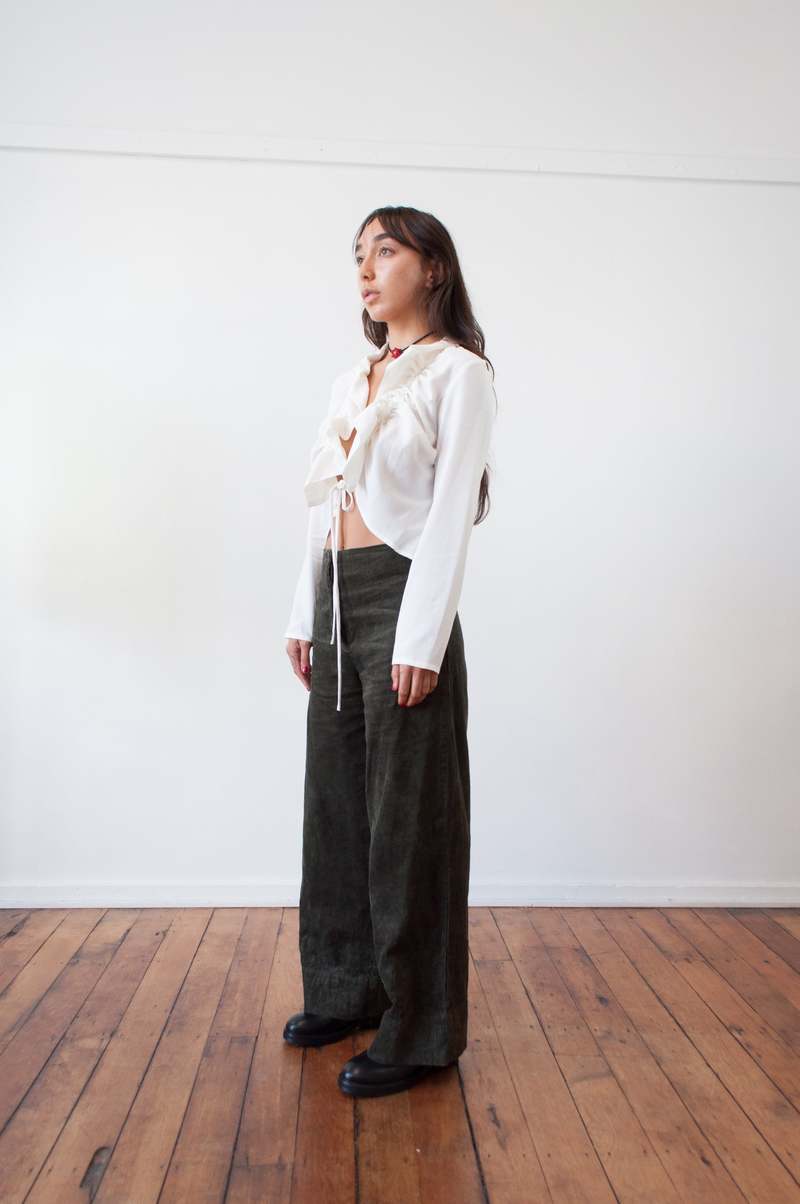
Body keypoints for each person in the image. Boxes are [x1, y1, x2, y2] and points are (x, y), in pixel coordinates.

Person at [283, 205, 497, 1099]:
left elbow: (450, 515)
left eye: (386, 251)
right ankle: (347, 990)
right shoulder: (352, 381)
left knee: (410, 820)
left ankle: (422, 1030)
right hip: (337, 598)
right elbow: (323, 506)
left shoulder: (459, 373)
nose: (366, 270)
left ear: (432, 268)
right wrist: (304, 612)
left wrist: (423, 636)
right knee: (335, 805)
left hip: (406, 597)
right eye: (359, 256)